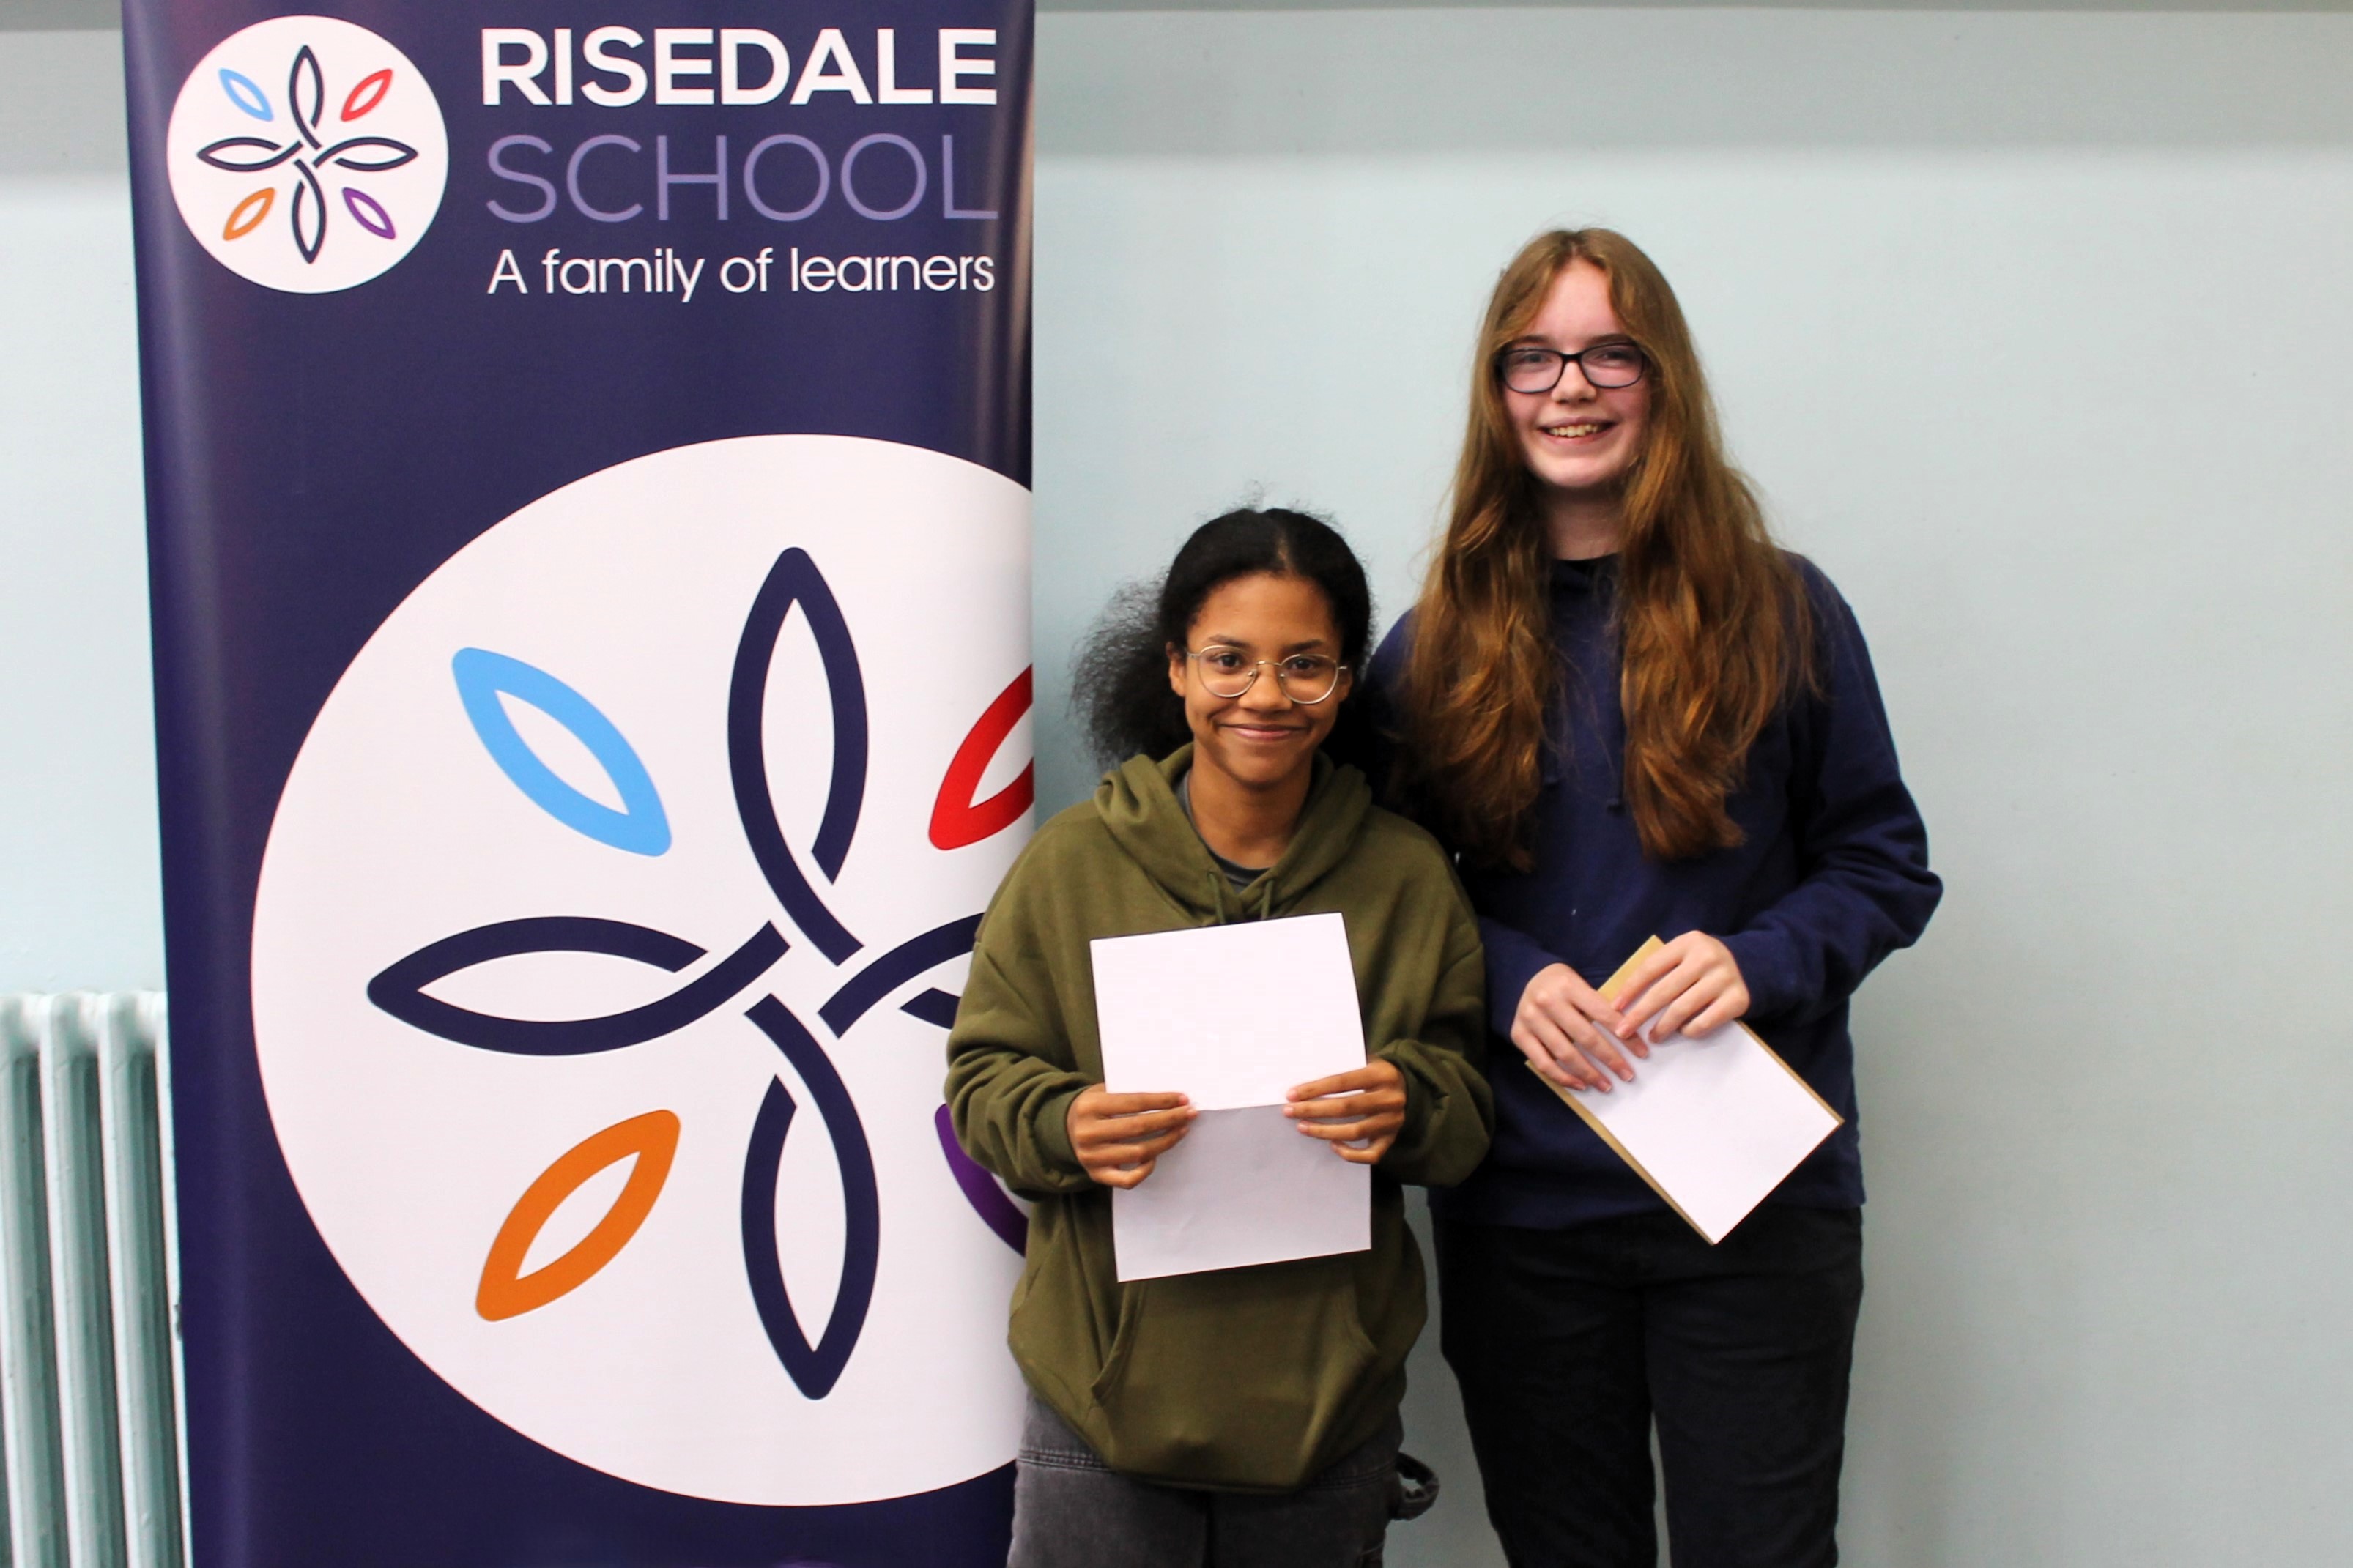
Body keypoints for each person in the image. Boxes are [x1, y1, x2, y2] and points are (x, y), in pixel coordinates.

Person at [1371, 229, 1943, 1568]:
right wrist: (1507, 976)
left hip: (1756, 1203)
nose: (1571, 386)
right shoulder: (1432, 645)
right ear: (1496, 390)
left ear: (1663, 377)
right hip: (1525, 1212)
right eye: (1534, 357)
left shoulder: (1785, 610)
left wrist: (1762, 958)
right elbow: (1380, 897)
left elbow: (1885, 864)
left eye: (1609, 353)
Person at [946, 508, 1492, 1568]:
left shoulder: (1407, 876)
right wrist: (1065, 1122)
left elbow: (1466, 1109)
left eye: (1305, 664)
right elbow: (982, 1081)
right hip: (1101, 1399)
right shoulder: (1069, 865)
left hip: (1327, 1407)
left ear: (1345, 683)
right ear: (1176, 668)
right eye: (1229, 659)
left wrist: (1411, 1102)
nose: (1266, 694)